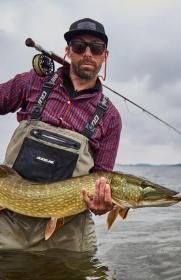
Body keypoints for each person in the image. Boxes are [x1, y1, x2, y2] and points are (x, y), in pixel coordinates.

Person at [0, 18, 122, 252]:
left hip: (66, 236)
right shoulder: (33, 82)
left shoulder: (110, 117)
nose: (88, 53)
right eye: (79, 46)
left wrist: (101, 205)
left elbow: (100, 179)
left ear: (104, 55)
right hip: (9, 224)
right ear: (68, 51)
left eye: (95, 48)